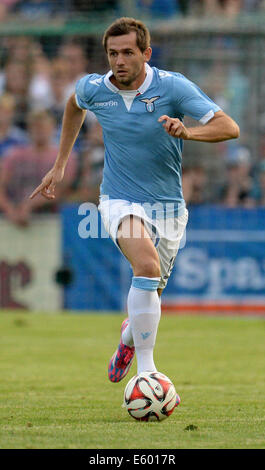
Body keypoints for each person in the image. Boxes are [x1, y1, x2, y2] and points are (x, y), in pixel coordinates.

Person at [29, 17, 239, 386]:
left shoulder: (173, 87)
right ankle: (147, 375)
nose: (119, 60)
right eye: (112, 53)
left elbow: (228, 127)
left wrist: (188, 131)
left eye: (128, 52)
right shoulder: (95, 88)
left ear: (146, 53)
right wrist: (59, 165)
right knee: (145, 264)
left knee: (151, 291)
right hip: (118, 198)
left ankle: (128, 338)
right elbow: (74, 106)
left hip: (169, 207)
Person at [0, 110, 76, 226]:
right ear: (29, 129)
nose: (39, 130)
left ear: (53, 128)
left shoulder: (65, 157)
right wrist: (9, 210)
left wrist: (30, 205)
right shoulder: (14, 155)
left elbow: (62, 190)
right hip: (13, 216)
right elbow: (1, 186)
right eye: (35, 126)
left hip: (51, 219)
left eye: (43, 126)